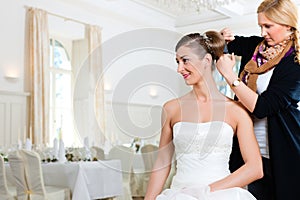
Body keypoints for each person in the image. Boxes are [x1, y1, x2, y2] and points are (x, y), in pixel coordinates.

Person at [144, 31, 263, 200]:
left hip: (223, 194)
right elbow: (162, 164)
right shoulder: (171, 109)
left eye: (185, 60)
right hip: (179, 194)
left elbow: (255, 168)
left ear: (207, 60)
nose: (179, 69)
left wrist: (206, 191)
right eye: (177, 62)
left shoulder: (236, 110)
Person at [217, 1, 300, 200]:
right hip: (247, 151)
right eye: (260, 26)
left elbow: (263, 107)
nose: (263, 32)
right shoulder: (255, 47)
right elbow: (225, 45)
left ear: (288, 25)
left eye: (268, 26)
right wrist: (223, 38)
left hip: (282, 152)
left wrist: (231, 77)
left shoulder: (295, 62)